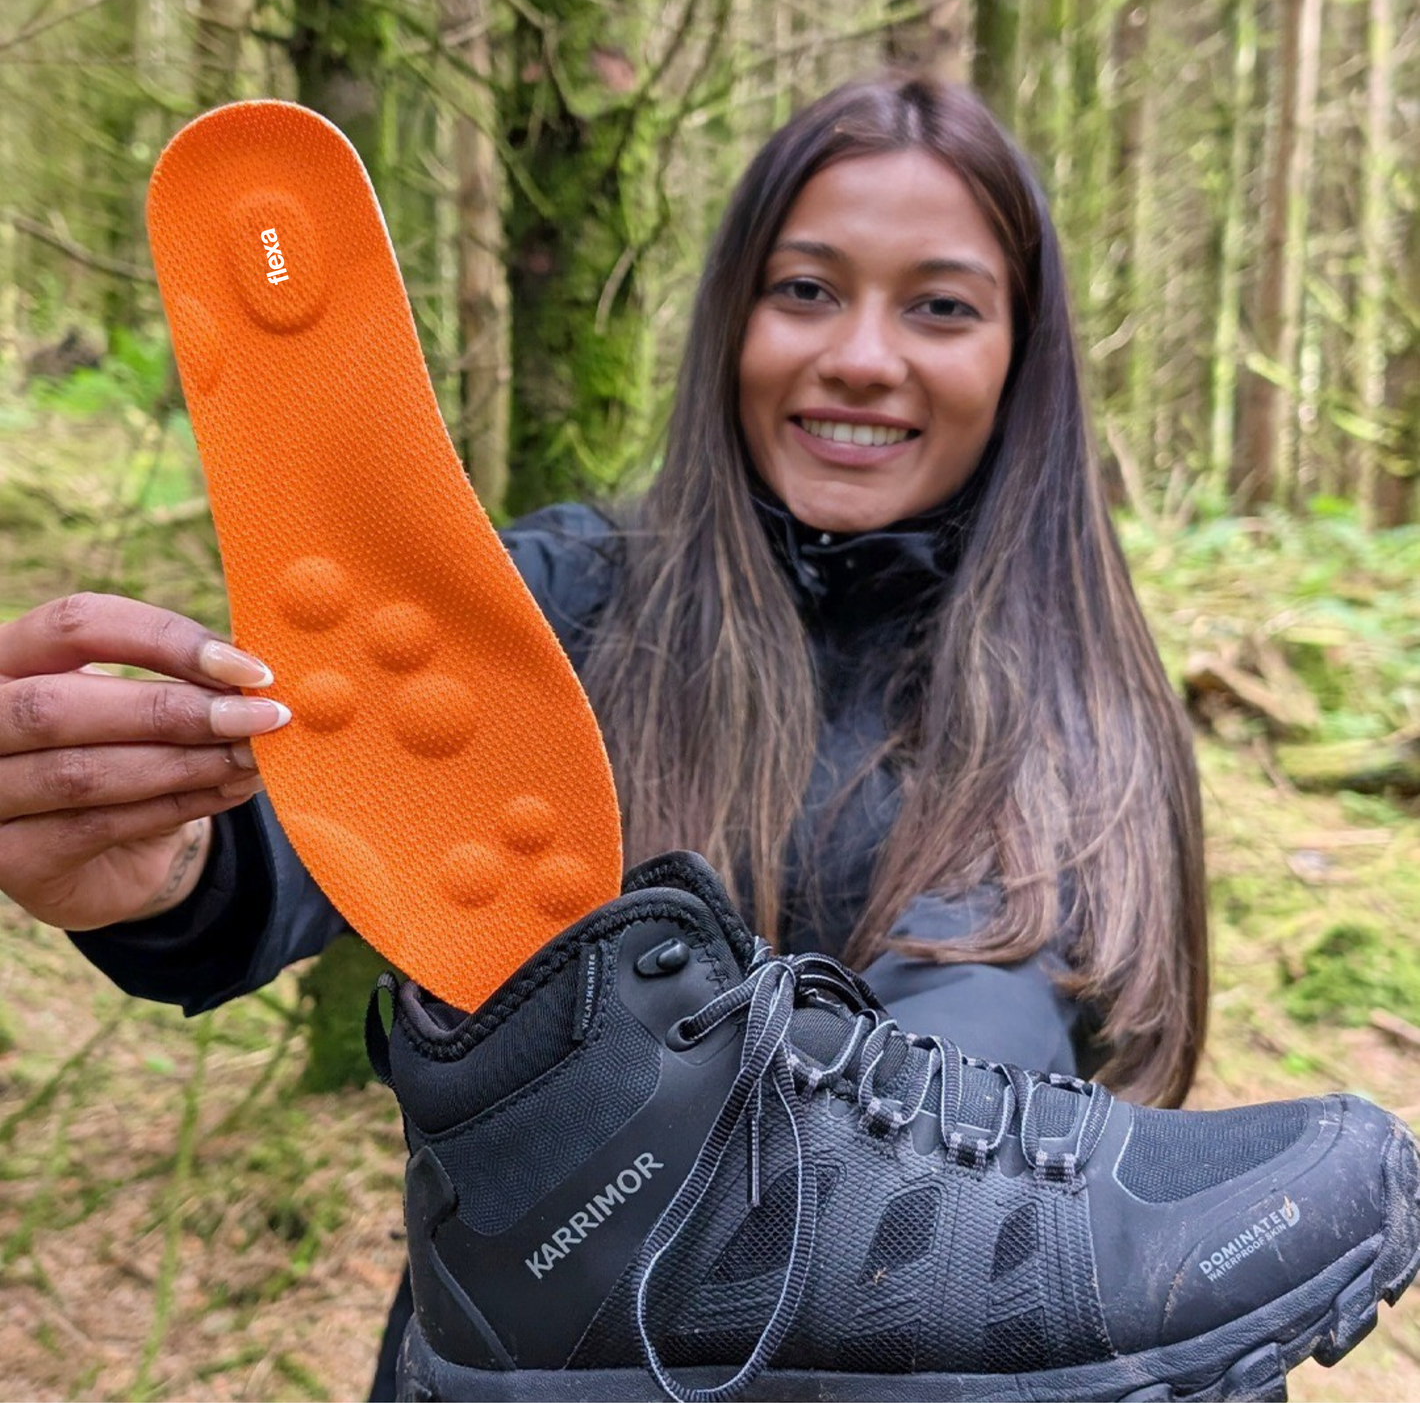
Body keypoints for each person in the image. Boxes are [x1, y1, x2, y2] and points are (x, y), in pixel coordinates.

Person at [0, 76, 1207, 1395]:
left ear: (1023, 356)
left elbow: (990, 1041)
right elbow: (335, 817)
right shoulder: (570, 598)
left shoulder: (1082, 709)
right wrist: (171, 864)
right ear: (731, 320)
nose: (863, 354)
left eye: (942, 307)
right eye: (806, 289)